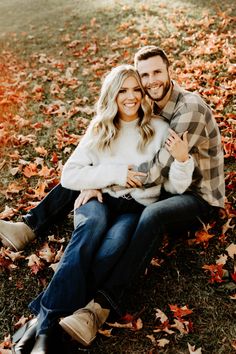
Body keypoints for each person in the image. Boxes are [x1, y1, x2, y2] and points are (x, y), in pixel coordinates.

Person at [11, 64, 193, 354]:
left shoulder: (159, 130)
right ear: (112, 94)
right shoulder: (101, 127)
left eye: (136, 89)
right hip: (99, 200)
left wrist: (183, 162)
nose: (131, 97)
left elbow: (176, 186)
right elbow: (69, 176)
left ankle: (36, 322)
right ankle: (47, 331)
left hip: (134, 208)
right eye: (122, 90)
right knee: (91, 228)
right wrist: (113, 175)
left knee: (112, 247)